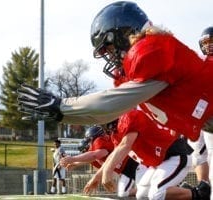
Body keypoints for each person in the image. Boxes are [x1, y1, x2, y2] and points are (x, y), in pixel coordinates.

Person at [17, 0, 212, 196]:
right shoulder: (143, 62)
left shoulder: (152, 49)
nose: (109, 56)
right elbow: (105, 114)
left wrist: (62, 107)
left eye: (108, 49)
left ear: (123, 35)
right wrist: (61, 115)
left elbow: (108, 105)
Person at [83, 109, 209, 200]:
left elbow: (125, 145)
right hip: (158, 163)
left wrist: (107, 171)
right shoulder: (115, 134)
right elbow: (113, 155)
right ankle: (184, 191)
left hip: (174, 155)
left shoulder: (129, 116)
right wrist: (96, 178)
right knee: (142, 194)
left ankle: (200, 193)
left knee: (156, 194)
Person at [60, 125, 141, 198]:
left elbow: (96, 155)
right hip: (126, 168)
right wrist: (76, 163)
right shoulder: (100, 145)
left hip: (131, 164)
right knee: (128, 191)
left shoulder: (99, 141)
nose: (89, 143)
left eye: (89, 140)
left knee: (136, 191)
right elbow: (93, 157)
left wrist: (73, 159)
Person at [199, 26, 213, 200]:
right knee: (203, 154)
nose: (209, 45)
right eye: (206, 42)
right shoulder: (201, 63)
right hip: (205, 118)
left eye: (212, 41)